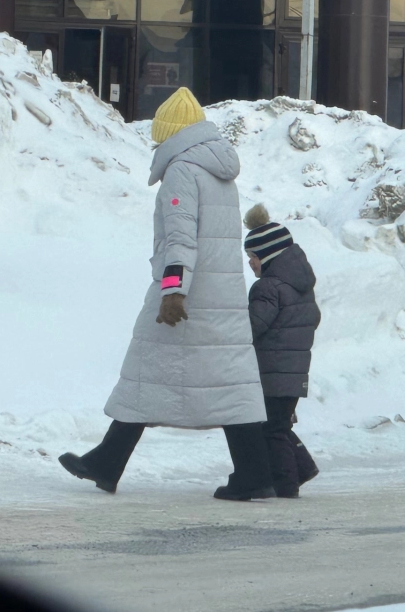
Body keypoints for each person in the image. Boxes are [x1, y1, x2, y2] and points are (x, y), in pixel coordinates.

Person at [59, 87, 274, 502]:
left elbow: (180, 237)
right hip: (220, 298)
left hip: (187, 298)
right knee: (226, 384)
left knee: (147, 368)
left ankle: (107, 461)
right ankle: (254, 472)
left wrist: (172, 290)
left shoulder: (181, 171)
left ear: (170, 133)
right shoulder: (219, 171)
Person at [243, 204, 322, 498]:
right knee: (279, 424)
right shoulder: (301, 286)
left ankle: (286, 487)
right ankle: (302, 468)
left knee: (272, 430)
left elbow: (252, 327)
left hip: (273, 373)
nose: (250, 263)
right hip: (293, 372)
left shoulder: (268, 287)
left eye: (252, 256)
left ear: (268, 255)